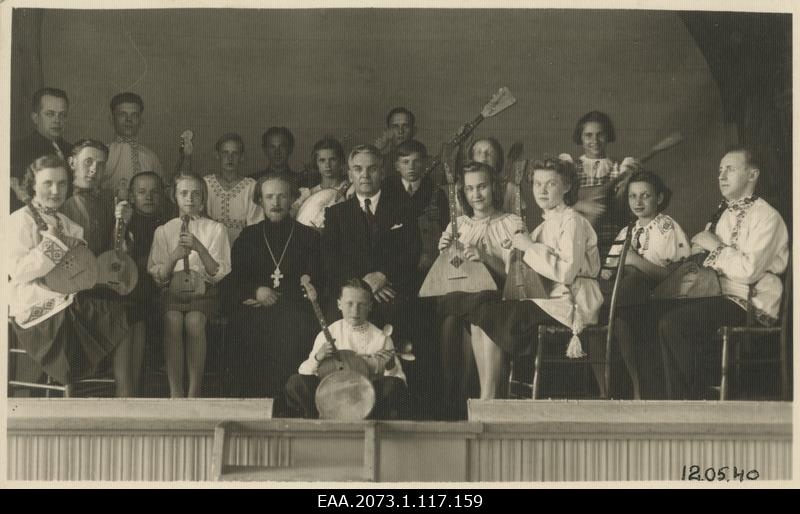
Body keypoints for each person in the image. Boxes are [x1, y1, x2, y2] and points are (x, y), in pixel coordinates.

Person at [441, 156, 604, 402]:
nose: (542, 190)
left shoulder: (572, 221)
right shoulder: (545, 224)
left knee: (490, 313)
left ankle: (491, 396)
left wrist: (528, 247)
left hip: (570, 302)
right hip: (548, 297)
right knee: (482, 311)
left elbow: (567, 273)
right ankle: (489, 394)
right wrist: (513, 252)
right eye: (537, 184)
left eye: (551, 184)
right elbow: (525, 272)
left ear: (567, 187)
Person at [657, 147, 788, 400]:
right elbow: (707, 256)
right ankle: (687, 398)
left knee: (674, 324)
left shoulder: (767, 217)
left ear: (752, 175)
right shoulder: (722, 213)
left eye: (730, 169)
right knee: (661, 314)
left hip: (749, 301)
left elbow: (749, 271)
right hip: (719, 294)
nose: (721, 176)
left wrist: (714, 246)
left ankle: (694, 399)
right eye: (719, 170)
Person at [8, 155, 138, 396]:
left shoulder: (67, 224)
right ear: (33, 185)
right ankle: (123, 393)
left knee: (126, 311)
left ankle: (125, 392)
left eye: (62, 184)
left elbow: (79, 272)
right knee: (117, 316)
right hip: (38, 308)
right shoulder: (19, 221)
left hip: (69, 299)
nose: (56, 190)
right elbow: (17, 271)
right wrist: (52, 246)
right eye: (48, 183)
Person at [435, 161, 526, 415]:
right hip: (463, 297)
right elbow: (450, 272)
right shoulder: (459, 225)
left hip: (499, 295)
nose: (476, 195)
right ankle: (456, 401)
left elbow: (516, 274)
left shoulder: (511, 222)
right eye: (470, 189)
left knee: (475, 310)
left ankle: (485, 397)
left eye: (482, 187)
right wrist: (447, 252)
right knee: (452, 319)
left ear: (494, 187)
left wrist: (485, 257)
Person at [222, 172, 323, 400]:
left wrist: (279, 296)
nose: (276, 203)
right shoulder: (248, 238)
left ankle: (289, 402)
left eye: (282, 196)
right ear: (260, 201)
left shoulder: (309, 239)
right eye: (269, 197)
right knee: (242, 329)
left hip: (295, 310)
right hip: (256, 313)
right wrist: (256, 291)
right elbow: (235, 280)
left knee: (294, 327)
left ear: (292, 200)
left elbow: (317, 279)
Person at [601, 170, 690, 399]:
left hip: (659, 298)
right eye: (632, 196)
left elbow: (674, 277)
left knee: (628, 296)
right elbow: (608, 272)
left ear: (659, 198)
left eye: (645, 196)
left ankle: (641, 388)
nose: (637, 202)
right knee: (612, 310)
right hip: (628, 299)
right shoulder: (627, 230)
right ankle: (617, 387)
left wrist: (635, 261)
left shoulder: (667, 227)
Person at [321, 144, 421, 345]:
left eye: (372, 169)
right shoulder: (336, 214)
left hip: (391, 287)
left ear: (382, 172)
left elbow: (412, 250)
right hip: (351, 290)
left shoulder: (403, 208)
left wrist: (383, 275)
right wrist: (364, 284)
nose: (365, 175)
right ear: (350, 175)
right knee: (336, 318)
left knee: (405, 316)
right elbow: (330, 259)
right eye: (358, 169)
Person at [148, 173, 231, 397]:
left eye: (196, 193)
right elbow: (160, 277)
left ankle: (194, 392)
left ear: (203, 198)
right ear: (174, 197)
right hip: (173, 293)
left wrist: (199, 248)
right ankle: (176, 392)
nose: (189, 199)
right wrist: (174, 256)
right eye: (183, 193)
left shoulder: (215, 229)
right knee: (172, 320)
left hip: (204, 292)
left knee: (194, 321)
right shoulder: (164, 231)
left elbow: (217, 273)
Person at [284, 278, 409, 420]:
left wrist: (390, 365)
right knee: (296, 382)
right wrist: (318, 357)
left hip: (365, 398)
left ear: (370, 306)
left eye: (361, 304)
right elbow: (304, 371)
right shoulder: (328, 333)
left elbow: (399, 379)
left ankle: (368, 423)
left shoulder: (381, 337)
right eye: (349, 304)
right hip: (330, 394)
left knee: (393, 385)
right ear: (339, 304)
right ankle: (318, 422)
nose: (355, 310)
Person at [569, 111, 640, 259]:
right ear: (580, 137)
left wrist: (630, 181)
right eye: (588, 135)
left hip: (614, 245)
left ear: (608, 136)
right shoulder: (570, 169)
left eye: (600, 134)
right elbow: (557, 206)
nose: (595, 140)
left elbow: (626, 210)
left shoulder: (620, 168)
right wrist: (580, 205)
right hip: (580, 247)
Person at [10, 87, 72, 212]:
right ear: (35, 117)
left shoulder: (72, 150)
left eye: (62, 115)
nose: (57, 120)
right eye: (50, 114)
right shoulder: (17, 150)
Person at [102, 92, 165, 203]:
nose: (129, 120)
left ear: (141, 121)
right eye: (122, 115)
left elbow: (161, 191)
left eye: (134, 115)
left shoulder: (150, 157)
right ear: (111, 119)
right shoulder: (103, 154)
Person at [204, 133, 263, 244]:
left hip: (242, 249)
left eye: (234, 153)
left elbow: (256, 227)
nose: (229, 158)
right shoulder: (205, 184)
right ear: (217, 155)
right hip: (210, 248)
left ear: (241, 157)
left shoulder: (251, 186)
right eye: (225, 153)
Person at [60, 139, 115, 255]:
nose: (94, 169)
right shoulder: (59, 199)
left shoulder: (108, 203)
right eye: (88, 162)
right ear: (72, 163)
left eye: (100, 164)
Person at [292, 137, 349, 217]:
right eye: (322, 160)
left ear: (341, 161)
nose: (327, 165)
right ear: (316, 163)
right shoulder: (309, 194)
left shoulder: (349, 190)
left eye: (332, 159)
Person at [251, 126, 315, 188]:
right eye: (272, 147)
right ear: (265, 150)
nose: (277, 152)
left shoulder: (303, 182)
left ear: (290, 149)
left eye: (282, 146)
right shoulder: (254, 181)